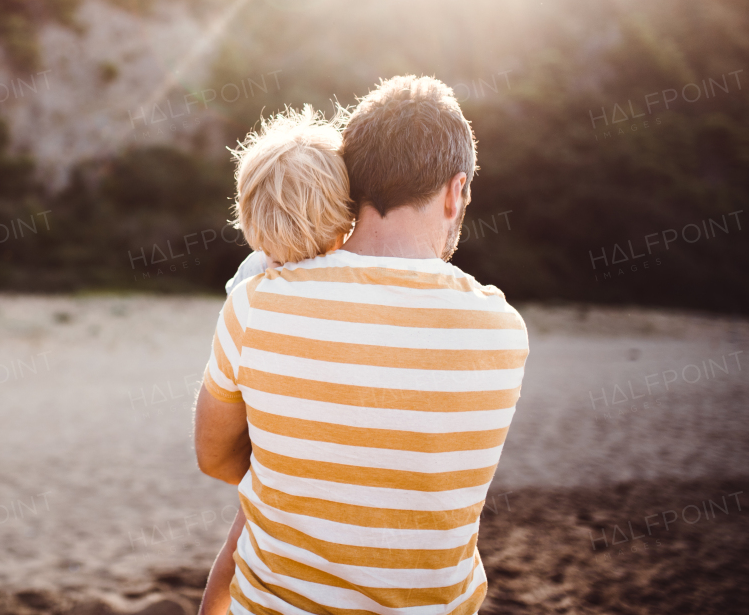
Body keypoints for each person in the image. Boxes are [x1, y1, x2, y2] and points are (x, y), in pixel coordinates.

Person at [195, 75, 528, 615]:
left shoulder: (257, 304)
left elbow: (214, 458)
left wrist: (296, 469)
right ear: (455, 190)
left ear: (355, 180)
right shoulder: (502, 328)